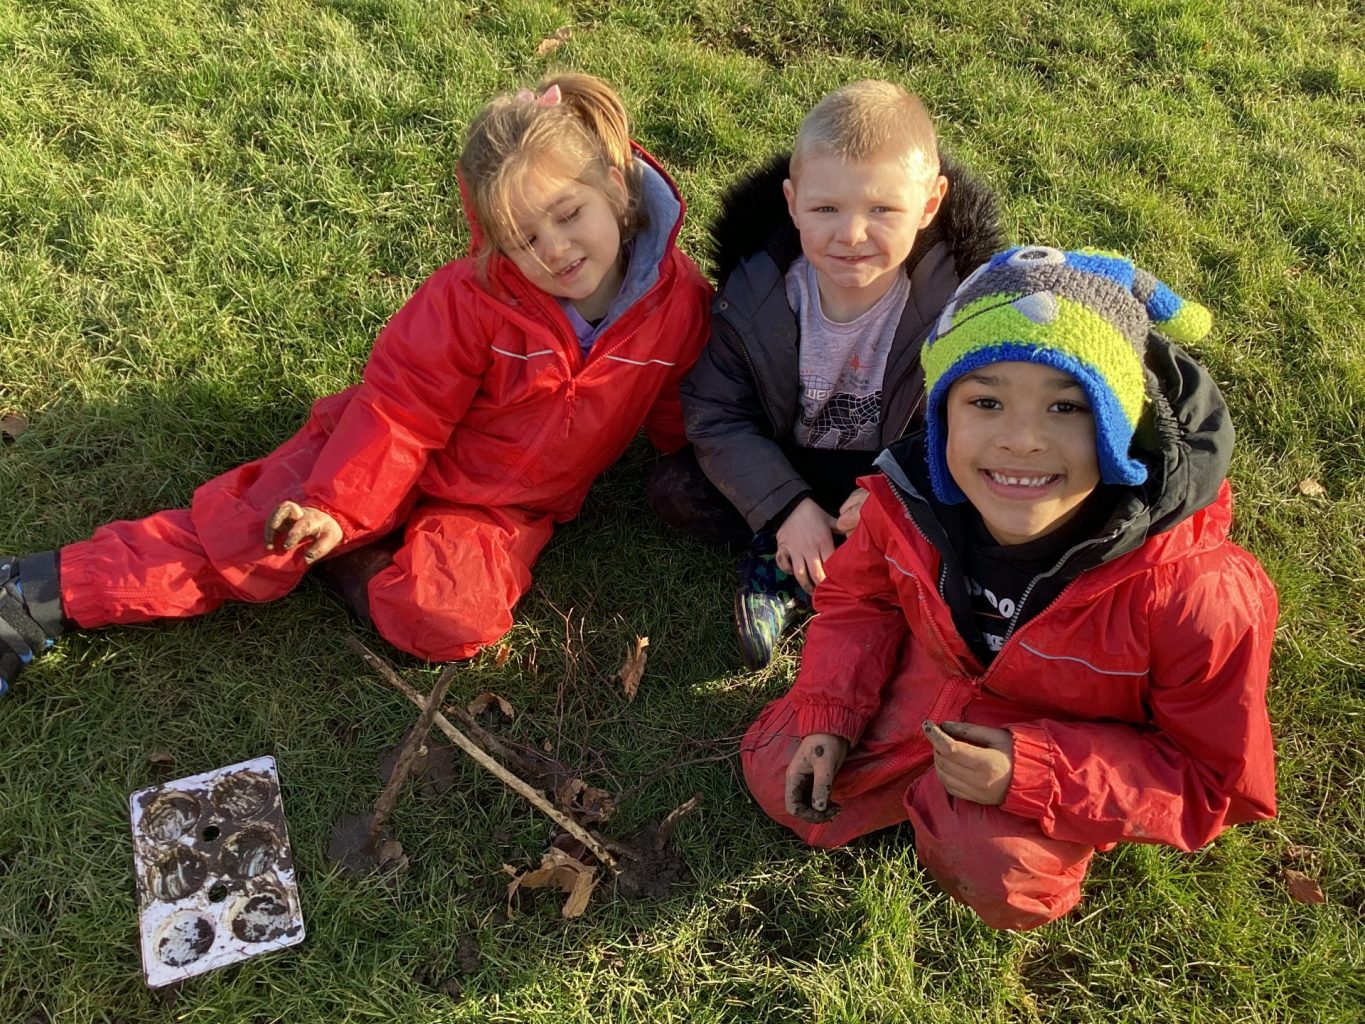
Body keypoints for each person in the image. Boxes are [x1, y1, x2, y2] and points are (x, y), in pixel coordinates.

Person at [0, 73, 711, 696]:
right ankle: (36, 594)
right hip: (375, 451)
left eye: (568, 214)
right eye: (524, 238)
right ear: (495, 240)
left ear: (613, 186)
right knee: (257, 535)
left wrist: (717, 474)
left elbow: (685, 406)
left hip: (502, 505)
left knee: (451, 618)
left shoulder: (677, 304)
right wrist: (334, 506)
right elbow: (402, 411)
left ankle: (355, 564)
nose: (554, 250)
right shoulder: (471, 299)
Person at [740, 246, 1278, 930]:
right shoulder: (904, 505)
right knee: (776, 769)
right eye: (986, 401)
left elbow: (1212, 780)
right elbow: (860, 600)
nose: (1022, 440)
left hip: (1065, 737)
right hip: (935, 690)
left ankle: (973, 815)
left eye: (1067, 406)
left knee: (1003, 872)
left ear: (1121, 427)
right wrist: (829, 713)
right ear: (942, 416)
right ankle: (919, 791)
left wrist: (1034, 773)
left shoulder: (1195, 594)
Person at [652, 80, 1004, 669]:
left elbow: (973, 423)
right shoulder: (757, 294)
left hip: (896, 469)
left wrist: (895, 491)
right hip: (790, 461)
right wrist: (785, 506)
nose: (851, 235)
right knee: (676, 490)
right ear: (792, 204)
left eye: (882, 210)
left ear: (929, 204)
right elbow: (717, 413)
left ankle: (871, 569)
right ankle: (787, 548)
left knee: (992, 506)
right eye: (825, 209)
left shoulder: (960, 308)